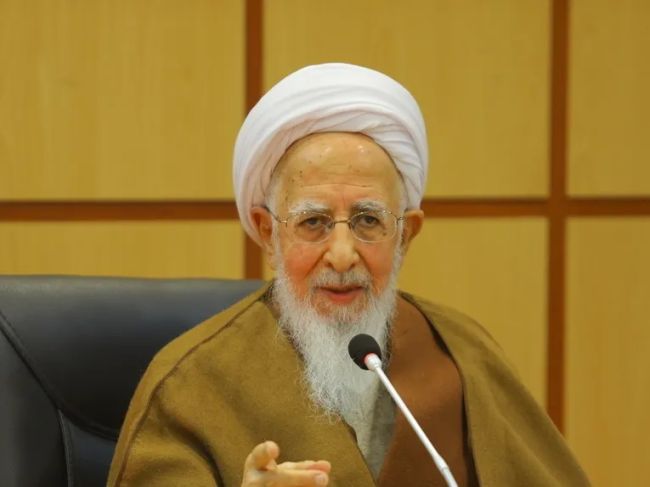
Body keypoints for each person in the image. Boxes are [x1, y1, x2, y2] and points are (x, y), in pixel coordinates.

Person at [108, 63, 590, 486]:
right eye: (313, 222)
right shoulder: (192, 385)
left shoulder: (462, 351)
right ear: (268, 234)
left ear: (404, 235)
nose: (341, 256)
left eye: (368, 220)